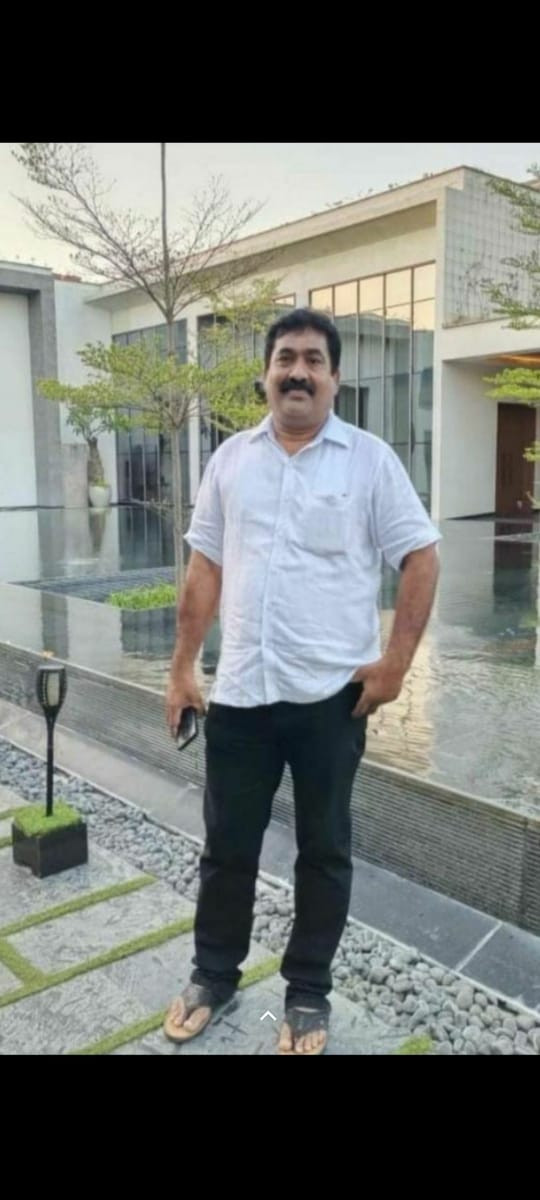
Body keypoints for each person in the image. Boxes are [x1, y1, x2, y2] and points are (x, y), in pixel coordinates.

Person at [163, 307, 440, 1055]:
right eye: (286, 357)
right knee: (227, 846)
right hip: (241, 693)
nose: (298, 372)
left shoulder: (369, 461)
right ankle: (213, 974)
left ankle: (308, 992)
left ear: (335, 379)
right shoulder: (230, 461)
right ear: (265, 373)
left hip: (329, 700)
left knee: (324, 850)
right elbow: (205, 567)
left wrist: (396, 664)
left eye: (314, 360)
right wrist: (183, 667)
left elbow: (420, 556)